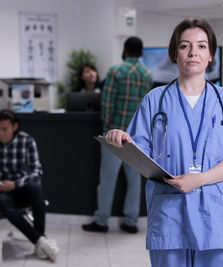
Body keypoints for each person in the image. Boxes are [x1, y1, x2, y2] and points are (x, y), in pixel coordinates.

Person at [103, 18, 223, 267]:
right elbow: (140, 152)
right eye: (185, 46)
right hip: (169, 214)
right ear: (175, 53)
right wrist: (123, 139)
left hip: (215, 216)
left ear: (211, 55)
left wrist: (199, 179)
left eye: (201, 46)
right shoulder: (154, 101)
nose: (193, 52)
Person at [82, 36, 153, 234]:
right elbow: (146, 107)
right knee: (134, 180)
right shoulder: (147, 74)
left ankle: (102, 220)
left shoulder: (115, 71)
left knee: (108, 178)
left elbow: (107, 103)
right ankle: (131, 221)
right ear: (140, 52)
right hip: (136, 137)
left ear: (125, 50)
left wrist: (107, 127)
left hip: (114, 134)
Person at [0, 109, 59, 262]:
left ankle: (39, 241)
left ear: (14, 127)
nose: (0, 133)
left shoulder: (27, 140)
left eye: (4, 129)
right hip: (1, 189)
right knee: (2, 201)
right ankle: (41, 241)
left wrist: (15, 184)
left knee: (36, 187)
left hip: (21, 186)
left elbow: (36, 170)